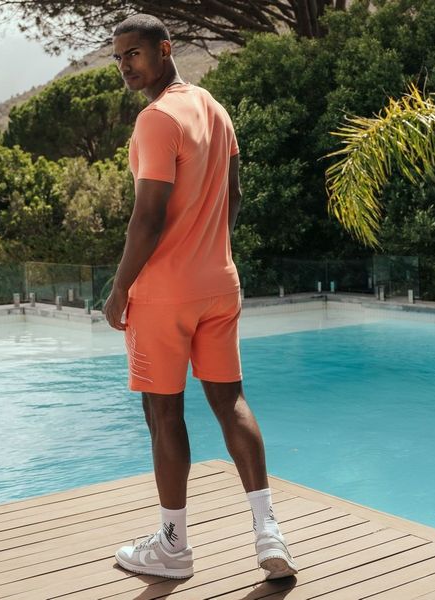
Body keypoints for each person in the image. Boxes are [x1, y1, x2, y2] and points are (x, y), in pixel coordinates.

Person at [103, 13, 298, 581]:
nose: (124, 66)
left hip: (164, 294)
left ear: (164, 50)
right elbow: (234, 197)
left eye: (134, 54)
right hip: (219, 284)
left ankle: (172, 547)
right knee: (230, 401)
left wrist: (119, 288)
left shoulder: (155, 120)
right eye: (118, 58)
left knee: (163, 413)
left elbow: (148, 217)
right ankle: (268, 534)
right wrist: (211, 250)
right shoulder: (215, 109)